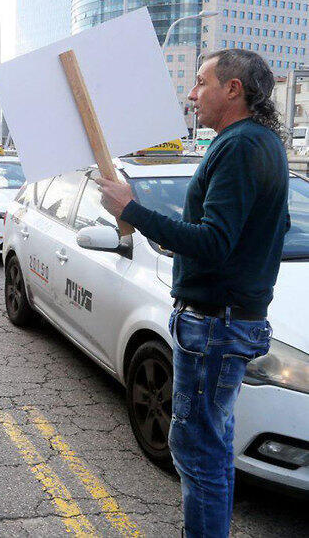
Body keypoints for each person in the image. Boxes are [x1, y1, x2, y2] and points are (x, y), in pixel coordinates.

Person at [97, 49, 288, 538]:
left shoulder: (241, 145)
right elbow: (256, 231)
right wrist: (169, 232)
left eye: (200, 81)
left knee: (198, 453)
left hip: (214, 326)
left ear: (233, 89)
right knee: (214, 447)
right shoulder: (258, 142)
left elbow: (216, 241)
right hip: (227, 320)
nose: (190, 92)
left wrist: (133, 210)